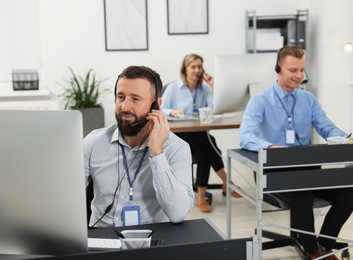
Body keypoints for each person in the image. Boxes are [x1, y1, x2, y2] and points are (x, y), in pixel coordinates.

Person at [239, 46, 353, 259]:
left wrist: (346, 139)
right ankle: (313, 252)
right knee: (302, 194)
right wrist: (271, 147)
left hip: (308, 168)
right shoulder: (260, 101)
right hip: (274, 170)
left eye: (302, 70)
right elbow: (246, 137)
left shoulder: (308, 100)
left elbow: (327, 128)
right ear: (279, 69)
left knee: (348, 194)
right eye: (293, 70)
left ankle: (325, 244)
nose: (299, 76)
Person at [84, 65, 194, 228]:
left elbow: (178, 213)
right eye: (121, 97)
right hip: (102, 240)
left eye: (135, 99)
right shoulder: (93, 142)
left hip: (152, 241)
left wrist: (157, 153)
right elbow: (65, 197)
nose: (125, 107)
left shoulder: (177, 148)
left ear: (156, 106)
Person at [161, 53, 241, 213]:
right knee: (207, 143)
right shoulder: (173, 88)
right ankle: (226, 182)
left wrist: (213, 86)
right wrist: (172, 111)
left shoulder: (204, 89)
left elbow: (216, 109)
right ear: (185, 69)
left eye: (200, 67)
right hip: (179, 137)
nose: (197, 70)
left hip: (199, 135)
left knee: (204, 151)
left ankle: (202, 198)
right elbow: (160, 109)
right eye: (193, 67)